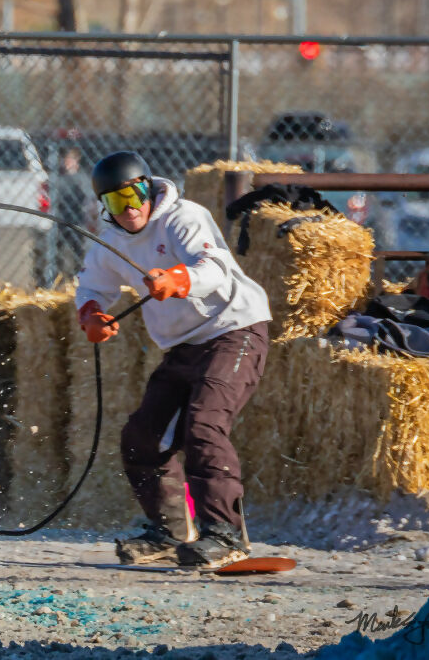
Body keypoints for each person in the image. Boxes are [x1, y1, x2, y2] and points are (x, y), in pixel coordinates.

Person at [74, 151, 272, 569]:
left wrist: (180, 279)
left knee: (203, 426)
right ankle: (170, 531)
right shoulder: (110, 242)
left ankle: (225, 535)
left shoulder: (184, 217)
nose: (129, 209)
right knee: (142, 436)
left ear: (148, 186)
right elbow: (93, 284)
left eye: (134, 194)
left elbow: (216, 267)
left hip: (233, 329)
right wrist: (91, 314)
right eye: (115, 202)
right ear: (104, 207)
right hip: (183, 346)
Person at [52, 147, 92, 278]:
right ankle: (57, 275)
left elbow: (88, 198)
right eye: (65, 160)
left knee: (79, 248)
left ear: (77, 161)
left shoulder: (82, 178)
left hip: (77, 219)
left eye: (69, 160)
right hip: (61, 218)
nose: (66, 163)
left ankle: (79, 275)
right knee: (58, 249)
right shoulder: (59, 178)